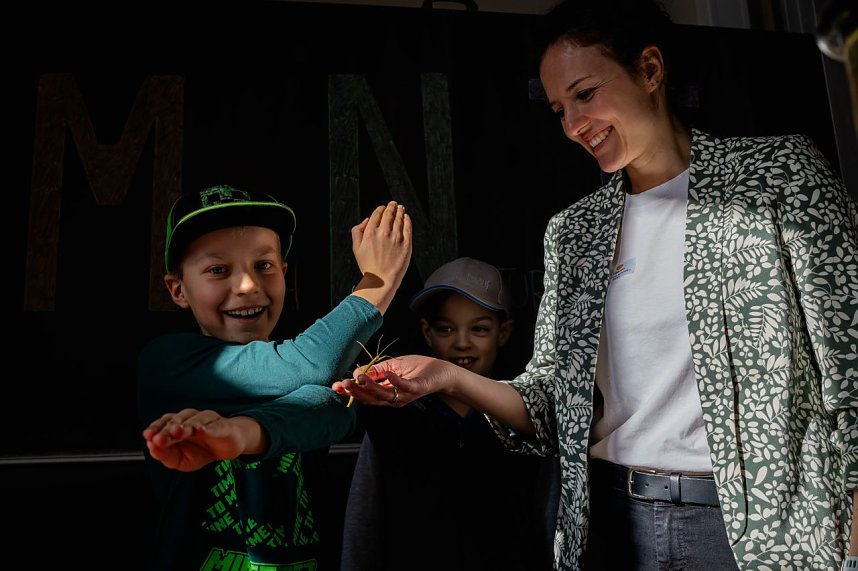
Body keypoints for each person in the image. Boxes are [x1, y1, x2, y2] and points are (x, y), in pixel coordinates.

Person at [333, 1, 858, 570]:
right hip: (612, 526)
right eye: (560, 109)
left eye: (585, 93)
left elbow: (851, 371)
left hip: (754, 534)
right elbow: (552, 406)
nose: (573, 125)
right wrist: (445, 376)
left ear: (650, 69)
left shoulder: (776, 175)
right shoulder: (575, 231)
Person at [138, 184, 411, 570]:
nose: (248, 285)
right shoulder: (169, 361)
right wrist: (377, 280)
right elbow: (313, 364)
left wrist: (242, 432)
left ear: (284, 273)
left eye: (264, 266)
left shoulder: (307, 368)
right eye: (218, 270)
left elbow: (334, 408)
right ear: (178, 289)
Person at [340, 257, 559, 571]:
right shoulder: (393, 421)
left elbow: (549, 522)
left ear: (504, 332)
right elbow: (363, 527)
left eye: (479, 329)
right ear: (427, 332)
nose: (462, 343)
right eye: (445, 329)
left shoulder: (525, 420)